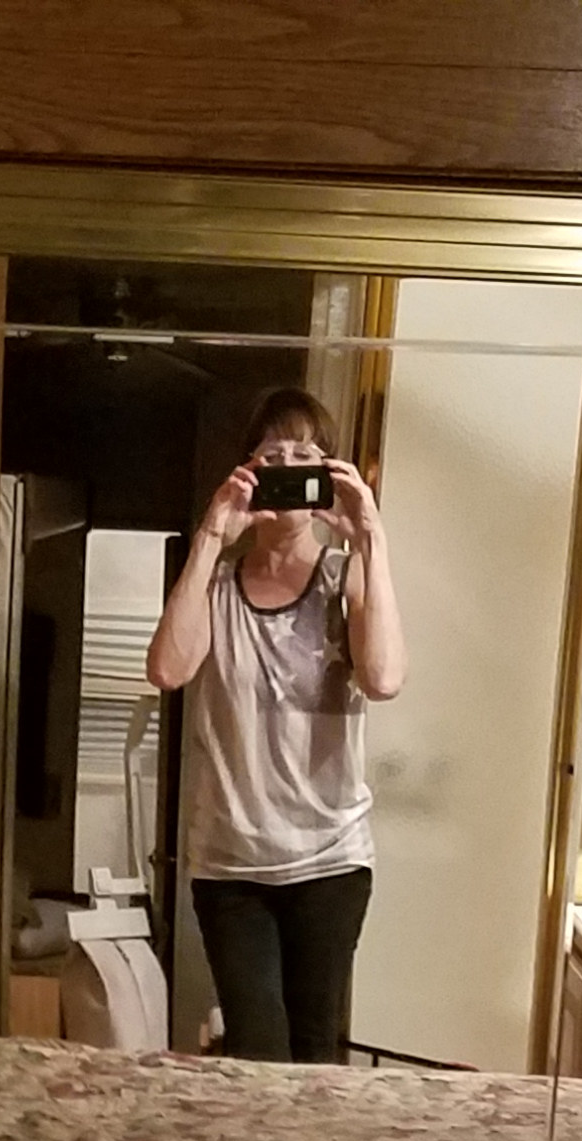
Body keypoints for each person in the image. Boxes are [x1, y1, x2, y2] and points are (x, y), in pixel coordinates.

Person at [145, 387, 407, 1065]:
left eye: (305, 456)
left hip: (331, 861)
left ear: (327, 475)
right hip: (232, 867)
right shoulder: (218, 586)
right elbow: (169, 670)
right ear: (248, 472)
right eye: (271, 456)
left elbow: (382, 678)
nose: (287, 467)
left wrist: (371, 537)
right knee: (257, 1051)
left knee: (316, 1053)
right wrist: (210, 535)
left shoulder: (345, 577)